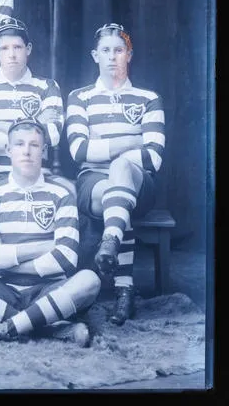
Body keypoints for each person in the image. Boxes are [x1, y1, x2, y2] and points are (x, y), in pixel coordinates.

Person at [0, 118, 101, 347]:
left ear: (44, 151)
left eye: (34, 145)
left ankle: (5, 328)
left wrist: (4, 258)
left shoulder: (61, 194)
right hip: (5, 290)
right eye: (19, 144)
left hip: (49, 289)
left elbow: (66, 259)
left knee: (90, 280)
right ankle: (51, 328)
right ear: (8, 149)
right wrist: (45, 248)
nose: (26, 151)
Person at [66, 23, 165, 325]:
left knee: (122, 171)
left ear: (129, 55)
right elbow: (79, 151)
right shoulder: (79, 98)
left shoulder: (148, 98)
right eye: (106, 50)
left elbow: (152, 158)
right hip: (93, 182)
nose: (112, 56)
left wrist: (106, 150)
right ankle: (125, 289)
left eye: (119, 50)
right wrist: (131, 140)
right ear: (94, 55)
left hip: (140, 182)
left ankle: (110, 241)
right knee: (117, 195)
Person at [0, 17, 71, 273]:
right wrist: (34, 124)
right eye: (4, 48)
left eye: (17, 47)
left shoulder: (46, 86)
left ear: (28, 49)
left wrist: (1, 126)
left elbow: (53, 135)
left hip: (38, 172)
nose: (11, 54)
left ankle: (53, 270)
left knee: (69, 190)